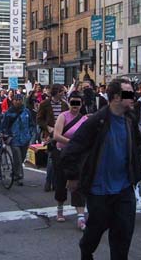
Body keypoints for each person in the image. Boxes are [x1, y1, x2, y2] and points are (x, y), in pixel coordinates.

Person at [61, 78, 141, 260]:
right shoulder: (97, 121)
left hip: (124, 188)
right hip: (99, 190)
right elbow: (73, 149)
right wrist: (73, 176)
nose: (133, 98)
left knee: (123, 233)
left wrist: (138, 169)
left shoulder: (130, 119)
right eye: (129, 94)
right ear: (115, 97)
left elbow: (138, 145)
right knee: (95, 230)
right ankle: (86, 249)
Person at [53, 92, 88, 230]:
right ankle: (60, 208)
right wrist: (72, 142)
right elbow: (56, 135)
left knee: (78, 183)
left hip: (77, 156)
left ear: (81, 104)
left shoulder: (84, 119)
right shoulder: (63, 116)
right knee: (61, 182)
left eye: (78, 102)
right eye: (73, 102)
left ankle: (80, 216)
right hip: (62, 154)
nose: (75, 106)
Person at [37, 84, 69, 192]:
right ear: (57, 92)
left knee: (60, 159)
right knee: (51, 159)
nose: (64, 94)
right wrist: (48, 127)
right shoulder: (45, 104)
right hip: (50, 135)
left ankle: (57, 182)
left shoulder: (65, 105)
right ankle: (48, 181)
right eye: (62, 92)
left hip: (62, 134)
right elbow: (39, 119)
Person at [0, 94, 36, 186]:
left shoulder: (26, 111)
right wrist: (6, 135)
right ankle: (20, 176)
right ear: (13, 101)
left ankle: (15, 172)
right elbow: (4, 126)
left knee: (22, 157)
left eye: (20, 100)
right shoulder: (9, 113)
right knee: (17, 157)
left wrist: (31, 134)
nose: (18, 101)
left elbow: (31, 124)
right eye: (16, 100)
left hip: (25, 138)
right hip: (14, 139)